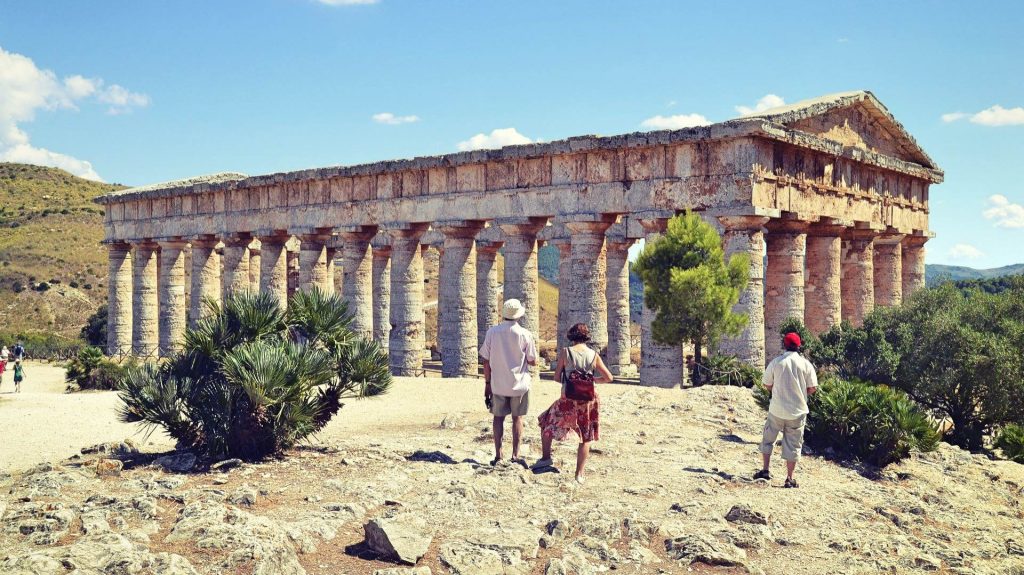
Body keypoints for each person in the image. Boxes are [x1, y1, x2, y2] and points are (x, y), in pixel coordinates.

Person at [534, 323, 614, 484]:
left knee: (547, 421)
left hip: (568, 398)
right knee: (586, 435)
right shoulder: (593, 355)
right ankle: (579, 474)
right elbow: (609, 378)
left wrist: (570, 382)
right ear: (587, 337)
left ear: (572, 336)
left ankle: (546, 457)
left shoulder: (566, 352)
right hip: (588, 399)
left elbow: (557, 377)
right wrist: (591, 380)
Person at [479, 298, 538, 466]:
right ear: (519, 315)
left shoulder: (492, 332)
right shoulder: (525, 334)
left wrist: (487, 384)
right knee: (517, 419)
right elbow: (533, 361)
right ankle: (515, 455)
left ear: (503, 314)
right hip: (520, 385)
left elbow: (485, 360)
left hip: (498, 384)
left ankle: (498, 455)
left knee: (498, 419)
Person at [755, 332, 817, 488]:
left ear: (784, 345)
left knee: (768, 439)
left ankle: (765, 470)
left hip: (777, 409)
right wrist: (800, 393)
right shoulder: (806, 364)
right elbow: (813, 388)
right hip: (797, 411)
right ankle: (789, 478)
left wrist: (777, 391)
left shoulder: (776, 362)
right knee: (793, 445)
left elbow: (767, 384)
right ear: (799, 346)